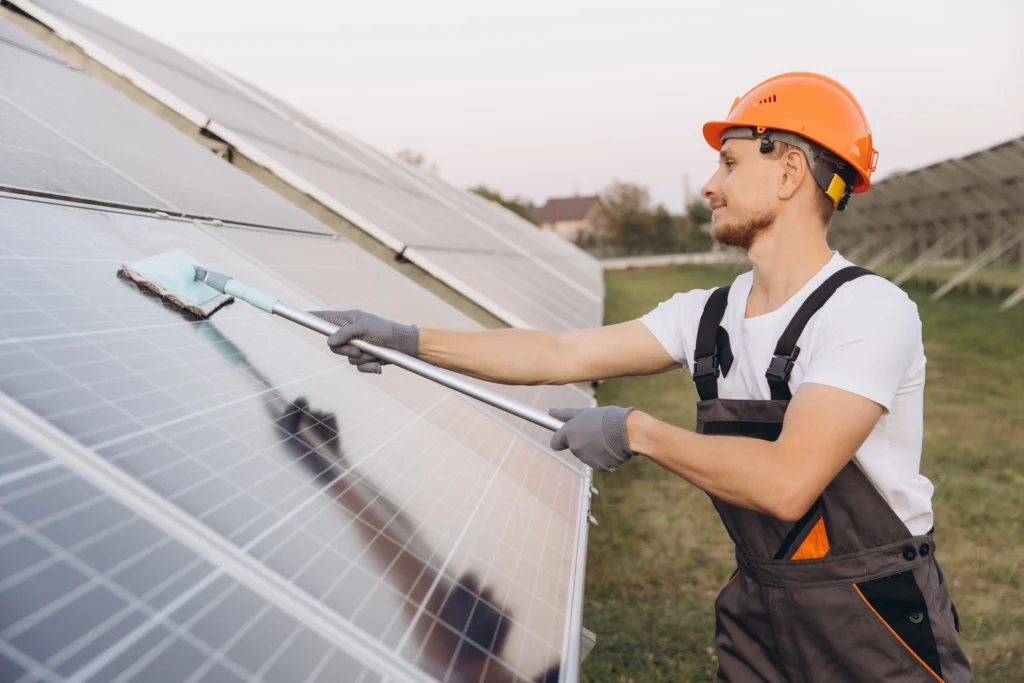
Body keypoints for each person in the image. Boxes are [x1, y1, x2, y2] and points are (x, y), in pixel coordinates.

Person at [315, 72, 974, 682]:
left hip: (873, 617)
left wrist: (637, 431)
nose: (711, 185)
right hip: (760, 609)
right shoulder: (708, 316)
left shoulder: (867, 311)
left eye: (731, 161)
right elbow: (558, 353)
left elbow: (786, 483)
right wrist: (409, 341)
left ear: (790, 170)